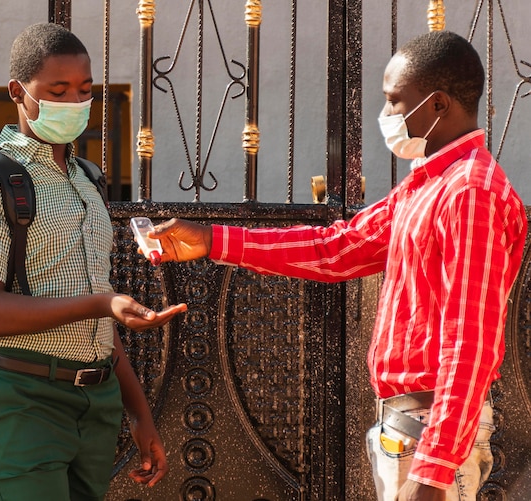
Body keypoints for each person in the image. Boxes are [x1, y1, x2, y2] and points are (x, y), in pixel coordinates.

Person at [148, 31, 527, 501]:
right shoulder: (429, 183)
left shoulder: (470, 192)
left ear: (437, 105)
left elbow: (470, 343)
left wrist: (432, 472)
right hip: (409, 423)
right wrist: (211, 240)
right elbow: (338, 249)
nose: (386, 116)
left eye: (394, 102)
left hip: (432, 430)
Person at [0, 23, 187, 501]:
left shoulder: (88, 183)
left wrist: (138, 413)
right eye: (58, 90)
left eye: (84, 90)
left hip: (94, 402)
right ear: (18, 91)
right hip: (21, 396)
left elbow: (101, 319)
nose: (75, 102)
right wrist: (102, 303)